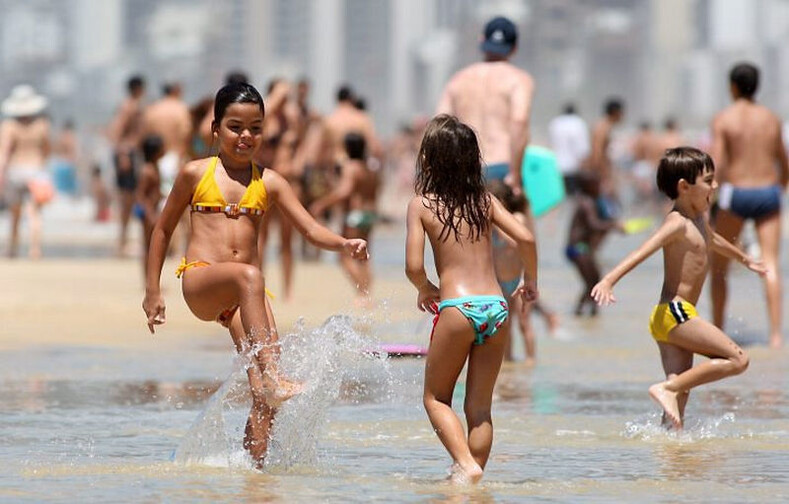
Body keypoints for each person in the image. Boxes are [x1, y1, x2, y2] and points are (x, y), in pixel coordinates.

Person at [142, 83, 369, 466]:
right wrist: (153, 291)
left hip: (244, 301)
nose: (245, 136)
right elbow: (162, 229)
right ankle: (275, 377)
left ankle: (253, 469)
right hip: (202, 282)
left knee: (264, 396)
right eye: (235, 127)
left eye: (255, 128)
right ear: (215, 129)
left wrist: (343, 244)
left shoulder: (271, 181)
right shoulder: (194, 174)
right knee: (252, 278)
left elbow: (311, 230)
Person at [405, 115, 538, 483]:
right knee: (479, 408)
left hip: (457, 308)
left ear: (428, 161)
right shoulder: (486, 201)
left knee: (435, 399)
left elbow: (413, 266)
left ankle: (465, 465)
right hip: (496, 308)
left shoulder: (421, 205)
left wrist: (425, 287)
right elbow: (526, 238)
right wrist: (531, 280)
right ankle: (466, 476)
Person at [591, 147, 764, 428]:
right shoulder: (676, 223)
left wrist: (745, 259)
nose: (715, 186)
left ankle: (672, 460)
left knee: (676, 412)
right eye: (708, 181)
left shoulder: (698, 219)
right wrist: (609, 280)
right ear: (684, 187)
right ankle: (666, 389)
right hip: (676, 314)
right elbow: (642, 250)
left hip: (668, 318)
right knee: (738, 359)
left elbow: (713, 239)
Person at [709, 62, 789, 348]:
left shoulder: (724, 118)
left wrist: (708, 197)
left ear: (732, 86)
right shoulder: (771, 118)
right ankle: (777, 336)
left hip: (737, 193)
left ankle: (718, 331)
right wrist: (780, 188)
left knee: (719, 265)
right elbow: (784, 160)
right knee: (770, 264)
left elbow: (717, 163)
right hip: (767, 192)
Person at [436, 16, 534, 192]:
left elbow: (439, 125)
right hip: (501, 169)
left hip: (464, 169)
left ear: (482, 41)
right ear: (514, 48)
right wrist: (516, 175)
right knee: (516, 219)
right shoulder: (519, 80)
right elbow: (519, 122)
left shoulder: (458, 80)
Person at [310, 132, 380, 305]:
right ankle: (367, 294)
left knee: (344, 257)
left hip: (354, 216)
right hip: (370, 215)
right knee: (364, 256)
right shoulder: (370, 168)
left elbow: (345, 191)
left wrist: (322, 204)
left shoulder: (351, 167)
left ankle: (363, 293)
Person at [487, 180, 537, 365]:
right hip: (500, 282)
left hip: (519, 280)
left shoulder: (517, 218)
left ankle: (530, 360)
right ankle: (508, 361)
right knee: (503, 325)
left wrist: (498, 227)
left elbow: (517, 242)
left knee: (524, 323)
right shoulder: (490, 226)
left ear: (502, 201)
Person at [0, 85, 52, 259]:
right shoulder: (42, 125)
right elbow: (46, 150)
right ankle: (35, 249)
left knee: (15, 212)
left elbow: (4, 153)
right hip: (36, 170)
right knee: (34, 212)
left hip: (15, 171)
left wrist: (1, 173)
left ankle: (12, 248)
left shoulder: (9, 126)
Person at [566, 172, 623, 316]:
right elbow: (594, 224)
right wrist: (613, 225)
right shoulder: (587, 203)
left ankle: (588, 312)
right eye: (597, 185)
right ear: (589, 187)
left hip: (578, 249)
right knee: (593, 282)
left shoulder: (587, 201)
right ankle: (586, 312)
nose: (600, 188)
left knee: (593, 281)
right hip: (579, 249)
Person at [108, 75, 146, 257]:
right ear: (139, 88)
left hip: (131, 154)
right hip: (127, 154)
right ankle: (122, 241)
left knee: (132, 198)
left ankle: (125, 240)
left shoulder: (134, 105)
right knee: (127, 199)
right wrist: (123, 154)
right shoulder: (129, 107)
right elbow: (116, 130)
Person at [135, 135, 164, 276]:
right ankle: (148, 279)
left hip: (153, 210)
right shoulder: (147, 171)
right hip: (148, 212)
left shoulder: (154, 168)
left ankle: (151, 279)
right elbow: (140, 195)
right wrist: (149, 214)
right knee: (149, 247)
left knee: (153, 246)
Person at [589, 97, 625, 214]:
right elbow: (597, 152)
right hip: (599, 173)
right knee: (604, 209)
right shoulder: (602, 127)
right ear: (616, 112)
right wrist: (602, 177)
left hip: (602, 172)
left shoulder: (606, 126)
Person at [548, 103, 590, 196]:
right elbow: (582, 148)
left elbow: (552, 144)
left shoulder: (555, 123)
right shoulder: (578, 123)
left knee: (560, 196)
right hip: (573, 167)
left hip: (557, 166)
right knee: (572, 197)